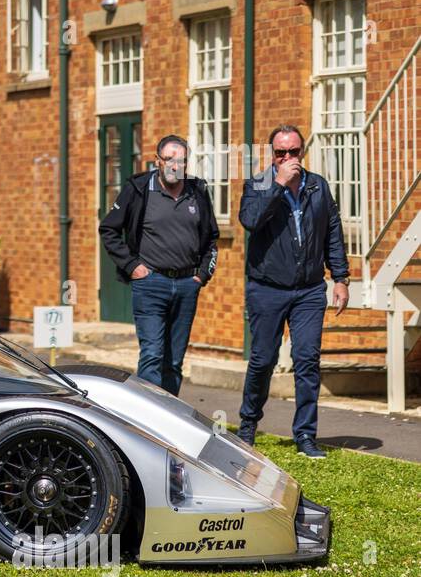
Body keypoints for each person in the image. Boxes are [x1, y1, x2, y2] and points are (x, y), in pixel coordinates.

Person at [237, 125, 350, 458]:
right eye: (280, 153)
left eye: (293, 152)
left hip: (309, 291)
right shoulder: (257, 183)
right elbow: (251, 221)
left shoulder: (318, 186)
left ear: (303, 151)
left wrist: (340, 277)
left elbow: (332, 231)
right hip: (266, 288)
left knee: (307, 360)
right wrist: (279, 184)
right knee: (263, 360)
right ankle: (247, 424)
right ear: (272, 154)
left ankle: (304, 435)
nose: (287, 158)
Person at [98, 134, 220, 395]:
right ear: (157, 161)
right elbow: (109, 229)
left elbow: (211, 238)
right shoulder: (139, 188)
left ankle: (169, 421)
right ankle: (146, 422)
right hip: (151, 283)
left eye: (181, 161)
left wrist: (201, 276)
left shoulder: (197, 191)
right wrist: (132, 266)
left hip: (188, 284)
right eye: (168, 160)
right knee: (152, 354)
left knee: (174, 361)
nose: (174, 166)